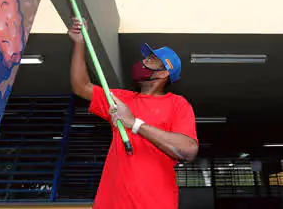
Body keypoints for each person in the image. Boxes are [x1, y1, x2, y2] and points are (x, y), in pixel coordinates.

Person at [69, 18, 198, 209]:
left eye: (151, 59)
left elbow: (189, 150)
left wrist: (134, 123)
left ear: (163, 73)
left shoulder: (177, 104)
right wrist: (79, 43)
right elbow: (81, 86)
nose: (143, 61)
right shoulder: (122, 99)